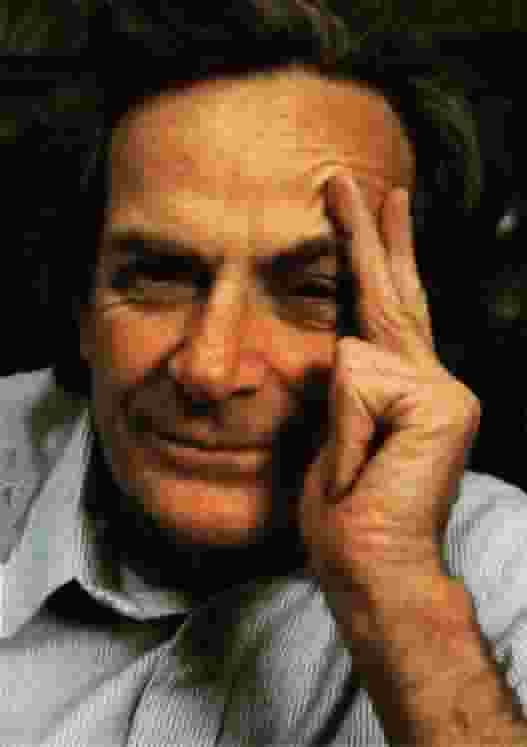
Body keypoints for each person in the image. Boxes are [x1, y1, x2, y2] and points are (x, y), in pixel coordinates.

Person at [1, 2, 526, 744]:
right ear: (83, 306)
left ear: (418, 325)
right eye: (158, 275)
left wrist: (401, 597)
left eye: (316, 290)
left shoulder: (507, 570)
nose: (210, 370)